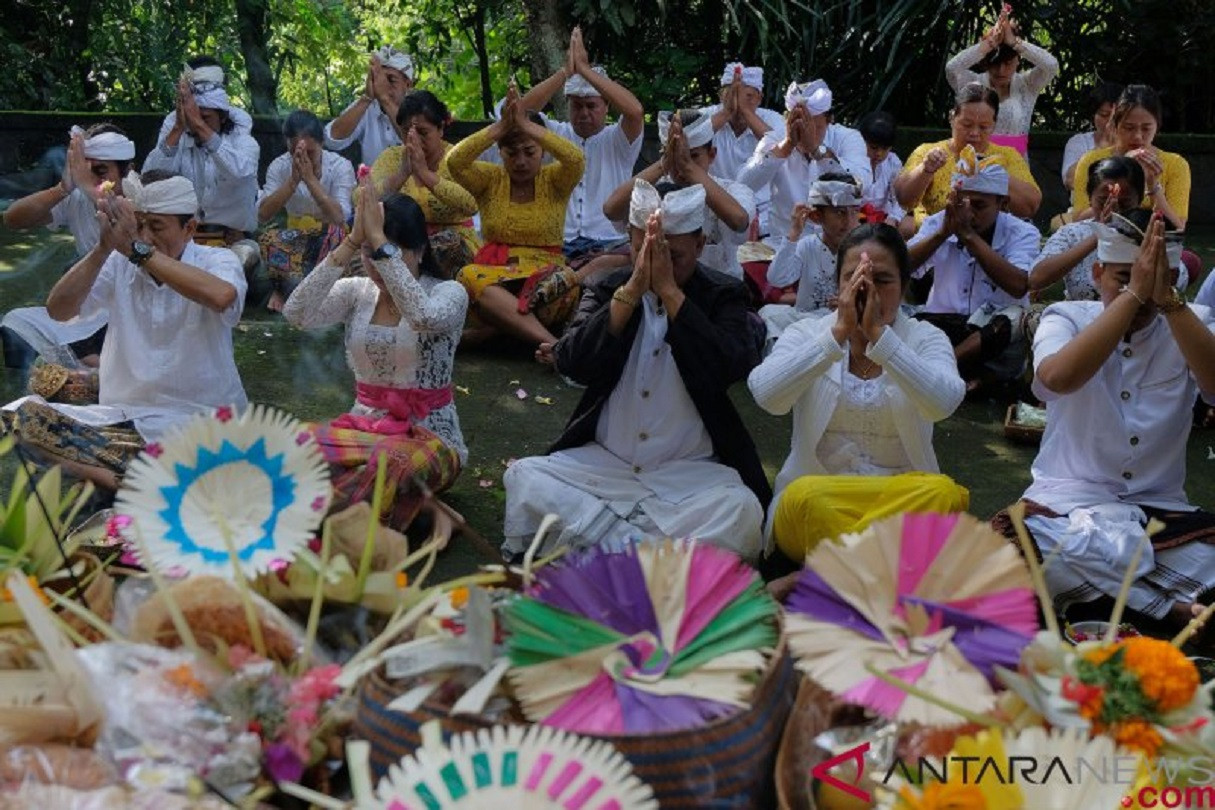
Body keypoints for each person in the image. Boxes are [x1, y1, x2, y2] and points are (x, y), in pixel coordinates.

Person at [502, 181, 769, 561]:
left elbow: (726, 366)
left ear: (699, 243)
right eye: (644, 250)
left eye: (672, 256)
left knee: (741, 510)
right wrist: (630, 293)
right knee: (524, 477)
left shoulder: (723, 294)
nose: (657, 263)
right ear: (630, 238)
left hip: (690, 473)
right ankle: (652, 557)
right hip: (604, 465)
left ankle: (605, 550)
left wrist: (671, 294)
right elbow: (573, 363)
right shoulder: (607, 286)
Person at [994, 212, 1215, 628]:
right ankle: (1169, 613)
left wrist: (1166, 300)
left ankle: (1117, 607)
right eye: (1123, 277)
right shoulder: (1065, 316)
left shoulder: (1191, 322)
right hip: (1065, 509)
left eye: (1151, 280)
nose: (1142, 294)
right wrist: (1133, 295)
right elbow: (1057, 378)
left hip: (1162, 513)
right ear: (1097, 274)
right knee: (1009, 550)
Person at [1, 171, 247, 495]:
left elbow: (222, 297)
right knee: (17, 417)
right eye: (139, 225)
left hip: (202, 423)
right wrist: (103, 248)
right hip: (124, 421)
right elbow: (59, 309)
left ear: (189, 229)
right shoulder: (120, 262)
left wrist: (139, 251)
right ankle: (117, 482)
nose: (144, 236)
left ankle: (139, 478)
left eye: (156, 227)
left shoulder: (218, 259)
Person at [749, 223, 967, 561]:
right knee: (805, 495)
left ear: (904, 286)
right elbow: (767, 396)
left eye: (882, 280)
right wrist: (837, 335)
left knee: (942, 493)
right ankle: (885, 575)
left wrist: (880, 338)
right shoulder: (806, 333)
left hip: (899, 497)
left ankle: (833, 580)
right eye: (855, 278)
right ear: (839, 286)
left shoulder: (926, 338)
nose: (867, 289)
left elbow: (943, 403)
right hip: (820, 498)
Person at [283, 188, 467, 542]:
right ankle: (425, 512)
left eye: (393, 252)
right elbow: (297, 313)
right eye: (370, 254)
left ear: (421, 248)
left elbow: (422, 316)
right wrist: (352, 241)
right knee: (292, 445)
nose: (378, 264)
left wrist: (380, 242)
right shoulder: (358, 291)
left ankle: (333, 523)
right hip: (365, 428)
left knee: (388, 466)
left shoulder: (449, 293)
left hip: (432, 438)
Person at [447, 85, 585, 355]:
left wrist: (527, 124)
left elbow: (576, 159)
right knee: (469, 276)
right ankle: (554, 346)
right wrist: (501, 127)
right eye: (512, 153)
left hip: (546, 279)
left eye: (529, 151)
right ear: (500, 153)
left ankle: (494, 334)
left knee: (560, 290)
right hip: (495, 277)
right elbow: (455, 162)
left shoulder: (555, 179)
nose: (521, 161)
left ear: (542, 151)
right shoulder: (490, 179)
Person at [2, 123, 136, 373]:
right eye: (86, 170)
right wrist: (62, 188)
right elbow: (13, 218)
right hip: (83, 306)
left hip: (130, 307)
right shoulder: (77, 196)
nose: (92, 178)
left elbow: (125, 227)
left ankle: (94, 365)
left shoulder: (142, 195)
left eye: (101, 170)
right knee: (16, 323)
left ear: (127, 170)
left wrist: (87, 185)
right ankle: (91, 364)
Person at [907, 151, 1039, 388]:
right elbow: (900, 267)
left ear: (1003, 204)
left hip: (992, 337)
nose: (967, 213)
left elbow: (1019, 286)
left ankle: (939, 369)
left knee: (1016, 318)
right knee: (902, 317)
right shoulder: (939, 222)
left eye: (979, 205)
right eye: (961, 203)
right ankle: (968, 379)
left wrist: (968, 235)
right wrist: (941, 235)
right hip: (942, 328)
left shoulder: (1023, 232)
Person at [515, 27, 644, 260]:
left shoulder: (618, 138)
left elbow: (635, 111)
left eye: (591, 106)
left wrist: (584, 70)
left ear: (606, 106)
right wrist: (566, 71)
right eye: (577, 106)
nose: (584, 113)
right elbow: (521, 112)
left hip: (609, 244)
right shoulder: (554, 133)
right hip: (559, 243)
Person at [601, 109, 753, 280]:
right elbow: (610, 209)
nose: (682, 166)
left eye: (693, 156)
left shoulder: (733, 190)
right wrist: (664, 164)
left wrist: (688, 167)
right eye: (676, 157)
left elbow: (739, 221)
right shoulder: (652, 191)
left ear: (711, 155)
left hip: (718, 291)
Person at [143, 61, 261, 265]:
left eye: (205, 118)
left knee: (238, 262)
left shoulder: (244, 143)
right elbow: (150, 179)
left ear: (222, 117)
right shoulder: (179, 134)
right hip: (184, 241)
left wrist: (198, 124)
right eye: (193, 119)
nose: (196, 125)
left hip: (234, 242)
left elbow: (240, 172)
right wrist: (179, 127)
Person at [738, 79, 870, 251]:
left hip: (837, 246)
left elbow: (862, 186)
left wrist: (817, 151)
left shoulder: (848, 138)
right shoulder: (776, 138)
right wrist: (786, 146)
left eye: (814, 126)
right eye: (799, 125)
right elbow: (744, 184)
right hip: (783, 244)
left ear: (829, 119)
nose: (805, 133)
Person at [369, 90, 481, 279]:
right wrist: (402, 174)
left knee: (439, 248)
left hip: (453, 241)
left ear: (441, 129)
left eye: (423, 132)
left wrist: (424, 173)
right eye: (406, 131)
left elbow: (472, 204)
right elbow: (361, 198)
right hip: (401, 241)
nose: (414, 140)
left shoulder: (456, 158)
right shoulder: (392, 157)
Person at [894, 83, 1041, 226]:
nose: (975, 133)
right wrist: (926, 169)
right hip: (936, 243)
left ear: (994, 125)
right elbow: (903, 200)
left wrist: (995, 172)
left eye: (984, 127)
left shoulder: (1007, 156)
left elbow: (1030, 207)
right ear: (952, 118)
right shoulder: (928, 152)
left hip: (991, 246)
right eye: (966, 125)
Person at [257, 110, 356, 311]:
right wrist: (292, 182)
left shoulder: (340, 166)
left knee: (339, 239)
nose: (304, 158)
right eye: (296, 152)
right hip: (295, 239)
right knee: (269, 240)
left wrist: (310, 180)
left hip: (330, 237)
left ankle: (311, 294)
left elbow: (340, 217)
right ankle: (283, 289)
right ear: (288, 146)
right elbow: (263, 214)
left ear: (321, 144)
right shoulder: (280, 166)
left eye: (310, 152)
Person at [758, 174, 862, 343]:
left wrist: (855, 303)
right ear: (816, 217)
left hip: (845, 323)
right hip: (805, 321)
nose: (849, 221)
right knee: (769, 315)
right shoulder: (807, 245)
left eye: (855, 212)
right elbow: (777, 279)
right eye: (840, 213)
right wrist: (793, 235)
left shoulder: (864, 248)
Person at [1071, 85, 1191, 231]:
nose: (1138, 136)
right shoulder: (1092, 161)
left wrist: (1153, 187)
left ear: (1157, 127)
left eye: (1146, 128)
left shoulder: (1175, 164)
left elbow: (1178, 227)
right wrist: (1121, 172)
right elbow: (1078, 219)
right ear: (1115, 126)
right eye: (1129, 127)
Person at [945, 5, 1058, 154]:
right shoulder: (972, 83)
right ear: (986, 62)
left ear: (1018, 60)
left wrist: (1014, 43)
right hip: (975, 164)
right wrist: (989, 44)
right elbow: (951, 68)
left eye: (1008, 63)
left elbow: (1051, 65)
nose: (1001, 71)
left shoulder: (1028, 84)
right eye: (995, 64)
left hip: (1015, 166)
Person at [1030, 156, 1146, 301]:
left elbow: (1174, 281)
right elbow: (1036, 279)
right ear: (1090, 199)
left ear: (1139, 200)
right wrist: (1100, 233)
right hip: (1082, 318)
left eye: (1125, 204)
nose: (1114, 211)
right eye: (1103, 201)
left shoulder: (1150, 233)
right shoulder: (1073, 233)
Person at [707, 63, 786, 232]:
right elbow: (689, 137)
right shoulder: (709, 115)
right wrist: (726, 112)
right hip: (715, 208)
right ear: (722, 96)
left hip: (763, 213)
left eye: (748, 96)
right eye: (732, 95)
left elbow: (779, 147)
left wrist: (746, 111)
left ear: (760, 98)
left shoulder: (773, 118)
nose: (738, 101)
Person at [324, 46, 415, 167]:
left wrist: (385, 99)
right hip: (373, 185)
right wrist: (366, 98)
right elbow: (332, 139)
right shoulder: (367, 106)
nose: (383, 86)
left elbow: (416, 142)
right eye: (379, 79)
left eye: (391, 80)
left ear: (408, 84)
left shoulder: (419, 107)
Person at [856, 111, 913, 238]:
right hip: (855, 217)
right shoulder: (852, 161)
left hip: (884, 218)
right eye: (874, 148)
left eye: (885, 149)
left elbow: (900, 198)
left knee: (910, 225)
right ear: (861, 141)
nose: (879, 154)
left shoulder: (893, 162)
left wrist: (894, 218)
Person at [1061, 81, 1122, 192]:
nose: (1110, 122)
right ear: (1093, 115)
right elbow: (1070, 181)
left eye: (1117, 116)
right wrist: (1103, 145)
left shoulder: (1135, 142)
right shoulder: (1079, 142)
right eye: (1104, 115)